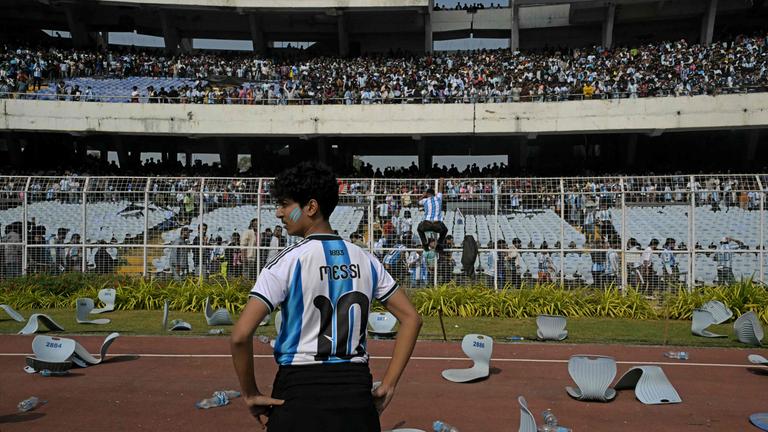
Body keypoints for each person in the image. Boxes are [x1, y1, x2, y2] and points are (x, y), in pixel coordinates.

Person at [231, 161, 422, 432]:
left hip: (299, 393)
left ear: (311, 207)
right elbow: (411, 319)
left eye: (285, 204)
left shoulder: (287, 262)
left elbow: (240, 335)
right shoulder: (365, 259)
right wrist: (388, 384)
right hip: (356, 396)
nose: (278, 213)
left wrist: (250, 394)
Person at [416, 187, 448, 251]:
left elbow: (418, 202)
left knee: (419, 229)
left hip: (427, 223)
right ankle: (439, 243)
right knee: (445, 230)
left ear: (427, 194)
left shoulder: (425, 200)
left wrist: (423, 196)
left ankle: (425, 243)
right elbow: (440, 189)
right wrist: (441, 180)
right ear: (434, 194)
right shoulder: (439, 198)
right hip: (437, 224)